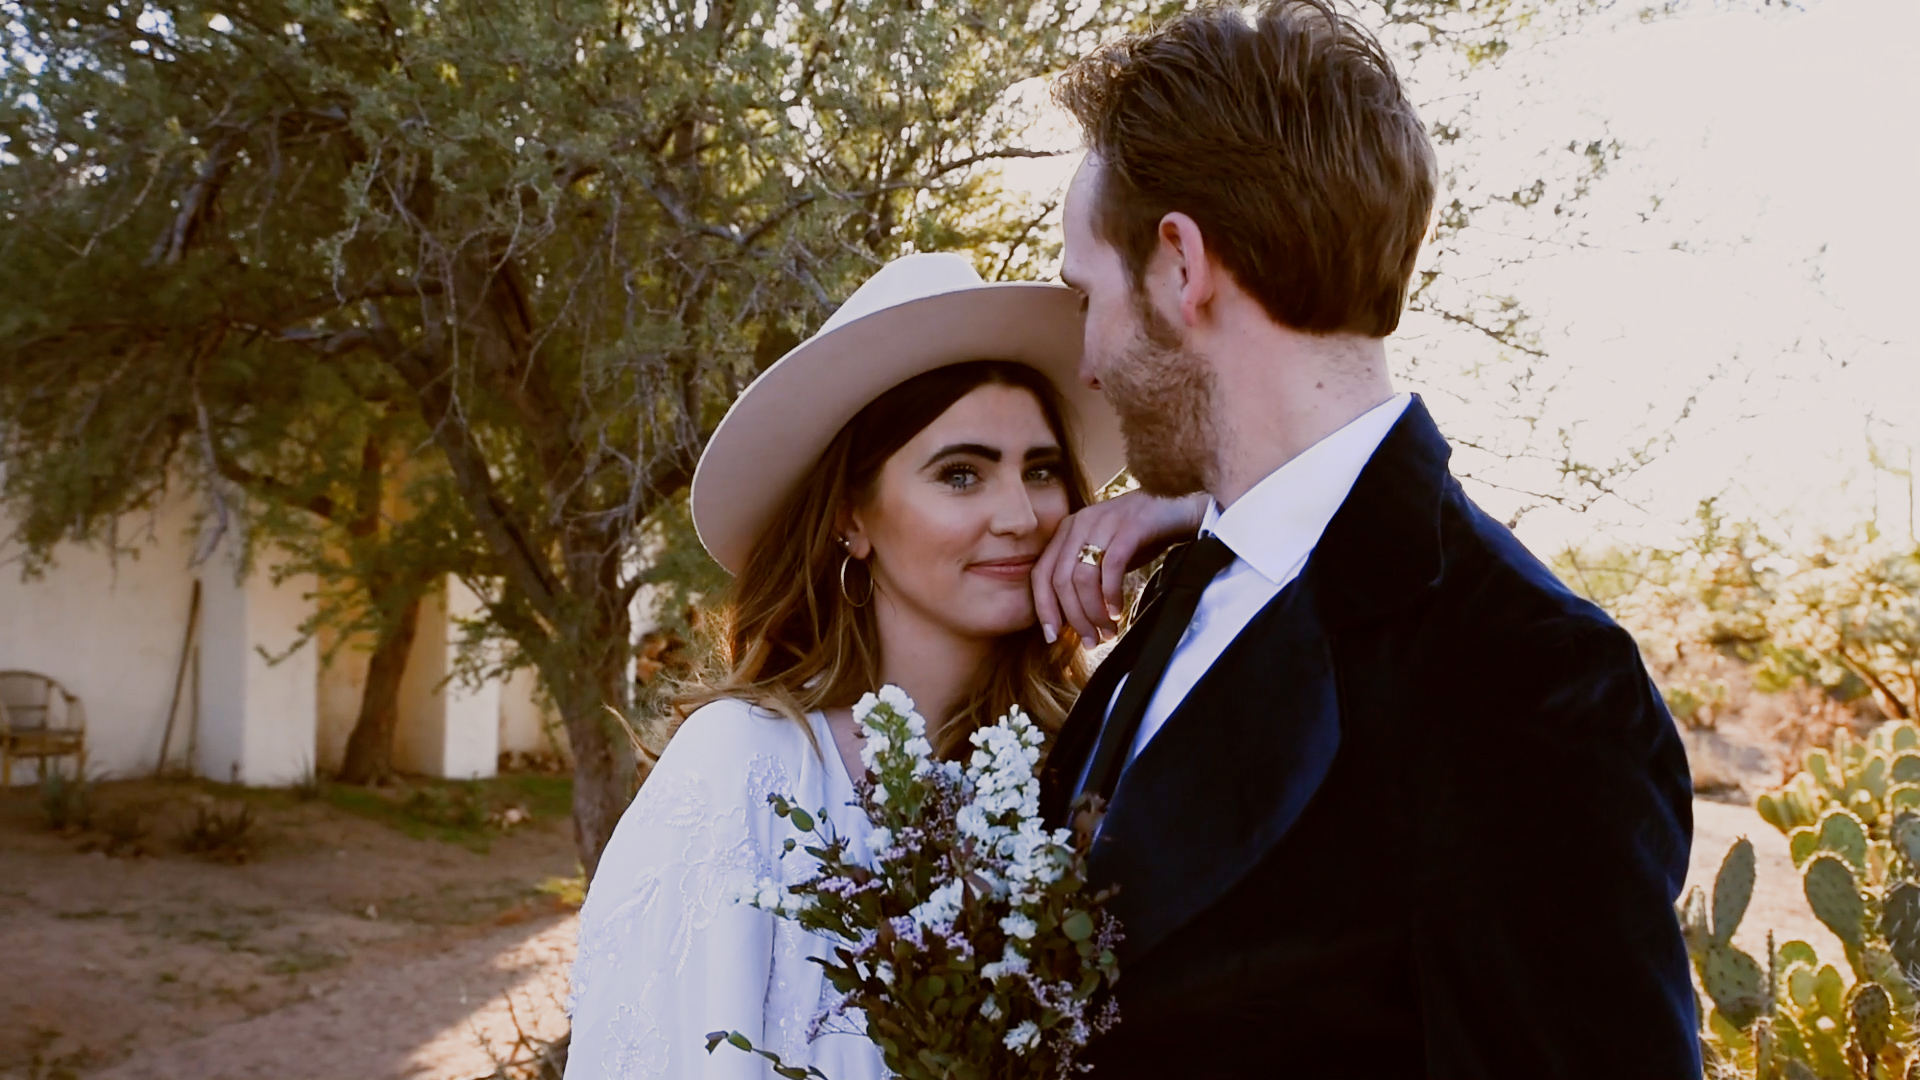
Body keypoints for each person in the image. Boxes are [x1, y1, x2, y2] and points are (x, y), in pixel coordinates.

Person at [1029, 2, 1702, 1076]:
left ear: (1181, 262)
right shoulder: (1199, 578)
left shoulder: (1529, 678)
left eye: (1084, 297)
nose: (1089, 359)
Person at [565, 253, 1177, 1079]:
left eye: (1040, 470)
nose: (1021, 514)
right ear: (854, 518)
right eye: (961, 474)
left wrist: (1195, 509)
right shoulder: (746, 769)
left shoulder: (1088, 760)